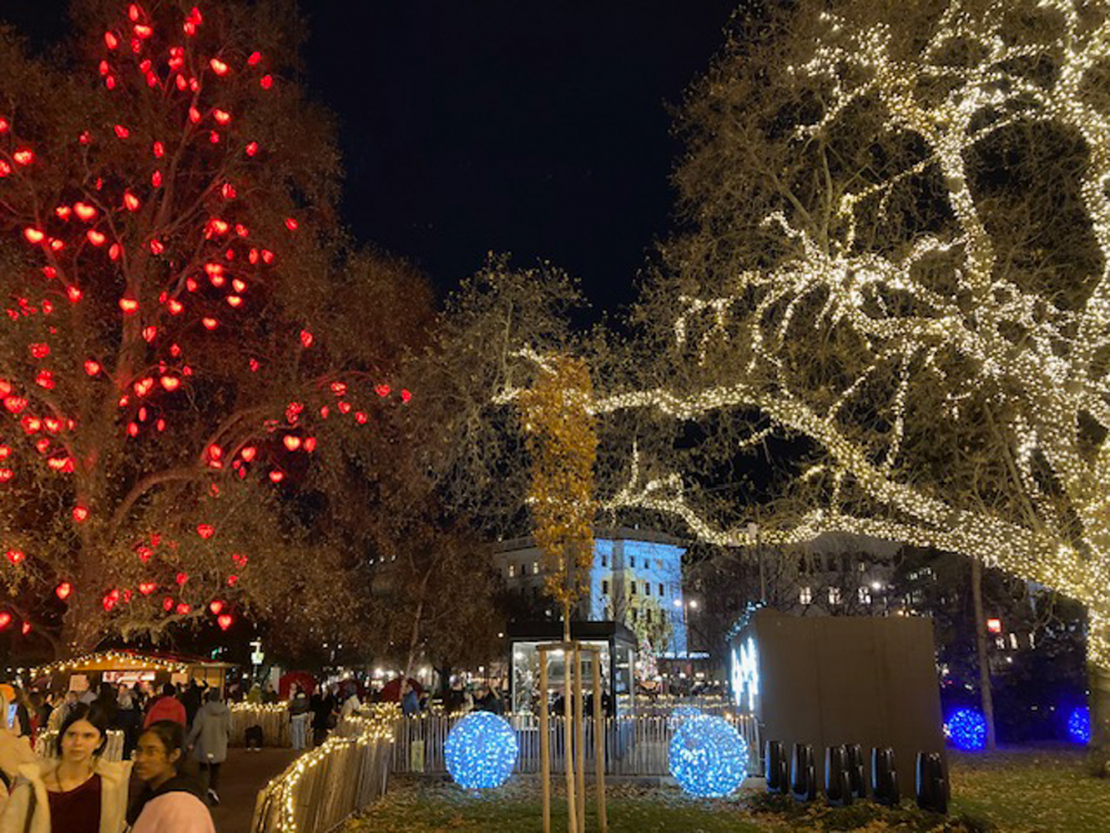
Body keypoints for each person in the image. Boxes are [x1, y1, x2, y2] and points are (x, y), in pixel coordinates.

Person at [0, 703, 131, 833]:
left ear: (99, 742)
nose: (78, 742)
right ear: (61, 738)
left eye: (88, 736)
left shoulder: (108, 786)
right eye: (71, 734)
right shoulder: (33, 785)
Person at [128, 720, 215, 833]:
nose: (140, 759)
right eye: (139, 751)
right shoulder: (154, 795)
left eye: (151, 752)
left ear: (174, 755)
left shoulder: (181, 807)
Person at [185, 689, 230, 806]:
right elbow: (229, 728)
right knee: (215, 770)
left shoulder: (202, 711)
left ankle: (202, 791)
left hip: (204, 743)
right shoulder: (225, 711)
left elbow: (196, 729)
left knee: (203, 768)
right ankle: (212, 790)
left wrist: (189, 741)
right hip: (219, 743)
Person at [288, 686, 310, 751]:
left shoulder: (295, 700)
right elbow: (307, 706)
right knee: (302, 730)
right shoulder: (305, 699)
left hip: (295, 716)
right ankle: (302, 745)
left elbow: (291, 707)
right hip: (302, 715)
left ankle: (296, 746)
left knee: (295, 731)